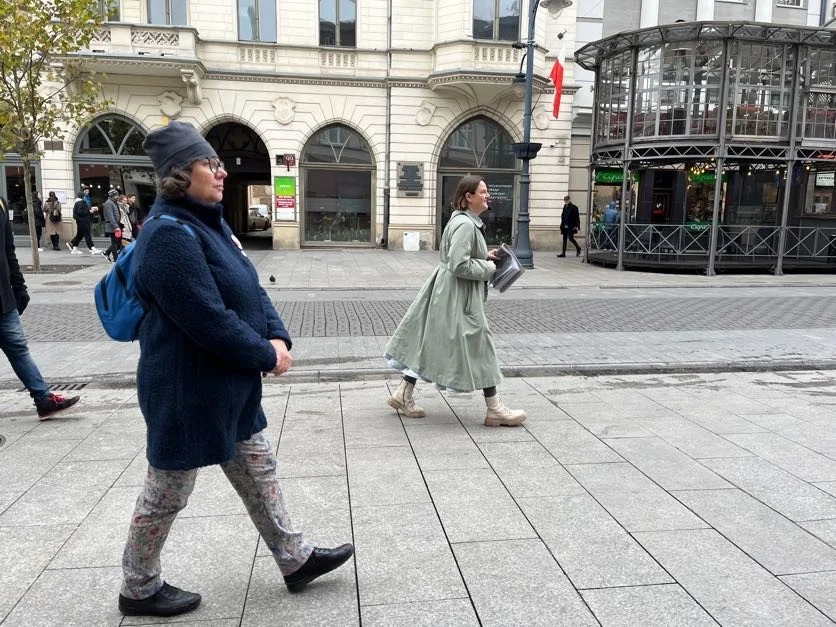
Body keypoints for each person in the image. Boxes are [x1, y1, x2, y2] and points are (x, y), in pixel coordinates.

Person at [118, 121, 353, 618]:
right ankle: (137, 587)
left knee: (257, 467)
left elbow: (251, 288)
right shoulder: (167, 235)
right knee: (167, 492)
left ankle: (295, 558)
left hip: (226, 385)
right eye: (210, 164)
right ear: (180, 174)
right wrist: (263, 354)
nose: (222, 172)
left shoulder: (212, 223)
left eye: (219, 163)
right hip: (186, 391)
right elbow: (205, 318)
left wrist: (277, 334)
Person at [383, 175, 526, 428]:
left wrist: (484, 255)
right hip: (458, 295)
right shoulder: (465, 225)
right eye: (483, 191)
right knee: (481, 344)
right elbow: (459, 264)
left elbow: (459, 257)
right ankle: (495, 409)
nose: (487, 195)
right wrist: (489, 268)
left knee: (429, 343)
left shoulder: (465, 222)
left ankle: (402, 394)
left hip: (449, 292)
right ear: (468, 197)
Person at [0, 196, 81, 419]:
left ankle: (43, 400)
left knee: (18, 348)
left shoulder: (0, 202)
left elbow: (8, 250)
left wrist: (19, 286)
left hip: (3, 299)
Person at [68, 186, 102, 255]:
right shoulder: (81, 202)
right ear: (82, 196)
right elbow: (81, 212)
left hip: (80, 221)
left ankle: (74, 249)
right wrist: (89, 211)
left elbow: (78, 212)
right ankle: (92, 248)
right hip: (83, 221)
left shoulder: (77, 202)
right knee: (87, 234)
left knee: (80, 235)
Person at [102, 189, 122, 262]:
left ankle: (107, 253)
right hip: (112, 226)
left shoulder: (113, 202)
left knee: (116, 242)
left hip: (115, 225)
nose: (118, 196)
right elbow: (110, 216)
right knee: (114, 242)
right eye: (116, 195)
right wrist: (116, 226)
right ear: (112, 196)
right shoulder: (108, 203)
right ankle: (115, 258)